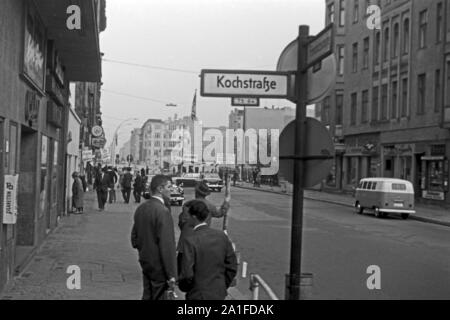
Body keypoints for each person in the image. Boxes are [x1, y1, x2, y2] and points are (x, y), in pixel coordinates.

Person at [177, 200, 237, 300]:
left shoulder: (190, 241)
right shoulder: (221, 236)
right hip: (218, 293)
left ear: (194, 217)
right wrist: (221, 285)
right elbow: (232, 266)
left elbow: (187, 274)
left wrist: (187, 288)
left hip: (197, 294)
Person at [131, 175, 177, 300]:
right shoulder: (163, 212)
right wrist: (172, 274)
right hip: (160, 267)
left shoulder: (141, 208)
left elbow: (134, 240)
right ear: (160, 189)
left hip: (146, 262)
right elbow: (167, 246)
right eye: (169, 187)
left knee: (147, 295)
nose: (171, 190)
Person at [177, 180, 230, 252]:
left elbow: (181, 223)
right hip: (201, 242)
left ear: (196, 192)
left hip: (185, 242)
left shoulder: (187, 205)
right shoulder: (210, 206)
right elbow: (220, 213)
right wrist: (226, 202)